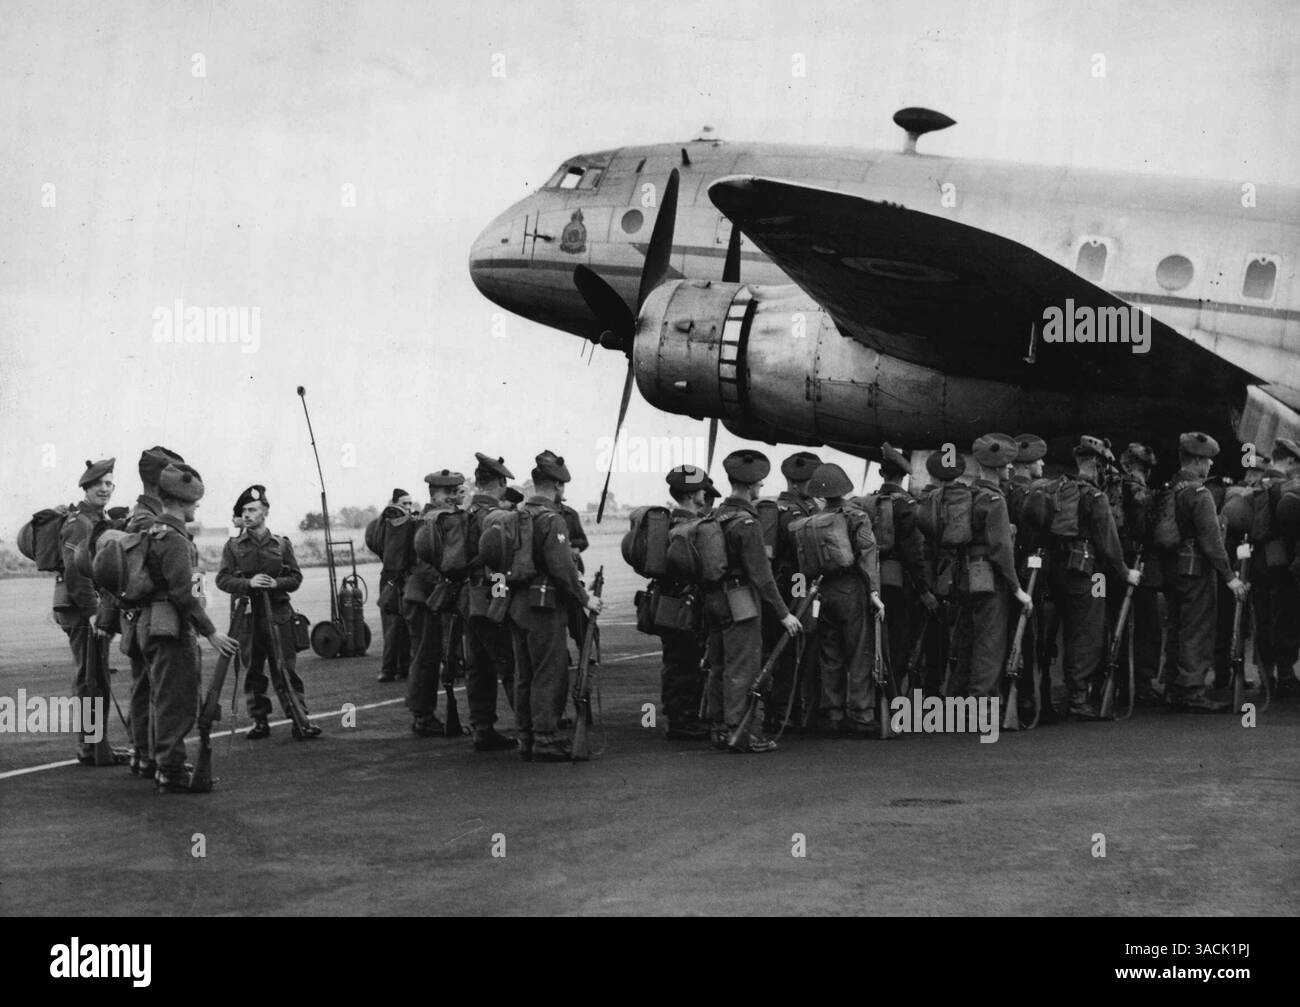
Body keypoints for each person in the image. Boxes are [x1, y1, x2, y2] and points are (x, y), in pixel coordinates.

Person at [141, 464, 238, 792]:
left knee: (165, 696)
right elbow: (182, 592)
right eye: (193, 502)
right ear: (180, 501)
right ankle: (170, 770)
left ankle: (165, 763)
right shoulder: (175, 539)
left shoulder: (156, 531)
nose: (196, 506)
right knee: (178, 700)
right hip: (171, 627)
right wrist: (211, 631)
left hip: (155, 622)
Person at [705, 450, 801, 753]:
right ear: (752, 486)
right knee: (742, 667)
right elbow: (762, 576)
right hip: (740, 599)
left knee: (718, 665)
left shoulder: (716, 515)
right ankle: (740, 732)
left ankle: (720, 728)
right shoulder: (747, 523)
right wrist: (784, 613)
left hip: (714, 597)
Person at [508, 452, 602, 762]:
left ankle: (526, 736)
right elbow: (563, 569)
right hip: (544, 604)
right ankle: (545, 738)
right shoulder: (552, 519)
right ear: (558, 486)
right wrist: (586, 598)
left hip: (517, 603)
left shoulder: (517, 515)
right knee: (550, 672)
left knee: (525, 674)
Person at [216, 485, 319, 740]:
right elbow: (222, 579)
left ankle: (300, 719)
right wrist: (247, 584)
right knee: (253, 672)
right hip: (248, 618)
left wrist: (277, 584)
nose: (247, 514)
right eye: (244, 510)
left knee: (285, 670)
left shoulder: (282, 545)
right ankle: (259, 721)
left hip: (279, 614)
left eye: (252, 509)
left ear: (265, 513)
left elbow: (295, 577)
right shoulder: (233, 546)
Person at [1049, 436, 1139, 718]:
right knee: (1087, 634)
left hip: (1056, 571)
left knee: (1055, 633)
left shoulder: (1058, 488)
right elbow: (1109, 545)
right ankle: (1078, 698)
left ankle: (1046, 694)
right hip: (1089, 575)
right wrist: (1126, 573)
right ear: (1098, 465)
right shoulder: (1095, 498)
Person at [1160, 432, 1248, 712]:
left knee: (1176, 626)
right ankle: (1192, 690)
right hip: (1196, 570)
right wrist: (1230, 577)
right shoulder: (1200, 494)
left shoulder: (1172, 488)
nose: (1210, 466)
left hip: (1173, 568)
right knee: (1197, 629)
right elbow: (1211, 541)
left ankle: (1173, 685)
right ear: (1197, 460)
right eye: (1207, 461)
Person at [118, 446, 185, 777]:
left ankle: (142, 753)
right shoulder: (150, 520)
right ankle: (153, 755)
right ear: (163, 480)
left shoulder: (139, 515)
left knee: (143, 685)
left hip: (137, 616)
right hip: (151, 614)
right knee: (157, 687)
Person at [805, 462, 884, 737]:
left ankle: (833, 714)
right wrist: (874, 592)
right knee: (860, 653)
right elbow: (867, 552)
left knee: (830, 653)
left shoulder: (813, 520)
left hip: (823, 590)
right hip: (851, 589)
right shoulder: (856, 516)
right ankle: (861, 715)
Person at [54, 458, 118, 764]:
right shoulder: (80, 522)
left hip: (87, 607)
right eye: (99, 484)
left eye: (109, 483)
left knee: (97, 676)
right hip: (81, 610)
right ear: (86, 487)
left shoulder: (96, 519)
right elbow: (75, 573)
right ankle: (90, 746)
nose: (105, 489)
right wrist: (95, 613)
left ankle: (94, 744)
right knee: (89, 678)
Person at [966, 435, 1033, 699]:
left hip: (968, 574)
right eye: (1006, 465)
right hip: (989, 579)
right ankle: (979, 705)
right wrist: (1017, 589)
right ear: (995, 468)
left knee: (970, 641)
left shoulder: (972, 494)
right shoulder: (995, 500)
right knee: (990, 645)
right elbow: (1001, 550)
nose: (1010, 469)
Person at [462, 453, 518, 751]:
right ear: (500, 482)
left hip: (469, 596)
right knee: (509, 661)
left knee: (478, 665)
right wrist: (501, 600)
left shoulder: (466, 512)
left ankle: (482, 727)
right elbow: (497, 563)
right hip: (490, 592)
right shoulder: (493, 516)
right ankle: (530, 728)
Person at [872, 444, 938, 696]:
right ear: (904, 475)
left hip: (873, 582)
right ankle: (893, 698)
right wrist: (924, 591)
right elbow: (914, 555)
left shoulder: (870, 502)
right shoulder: (908, 506)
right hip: (899, 584)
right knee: (899, 641)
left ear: (881, 473)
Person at [762, 451, 821, 733]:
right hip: (795, 587)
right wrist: (802, 596)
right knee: (793, 651)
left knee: (784, 651)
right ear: (797, 484)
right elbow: (800, 557)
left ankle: (782, 711)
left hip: (781, 587)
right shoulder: (796, 513)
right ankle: (786, 713)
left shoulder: (778, 508)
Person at [656, 464, 714, 740]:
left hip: (667, 601)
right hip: (688, 603)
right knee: (688, 661)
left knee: (674, 661)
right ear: (693, 494)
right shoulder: (695, 528)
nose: (706, 494)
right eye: (702, 490)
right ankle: (683, 721)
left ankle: (675, 715)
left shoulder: (666, 524)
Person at [405, 470, 464, 736]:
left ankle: (424, 714)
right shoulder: (426, 522)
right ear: (434, 494)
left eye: (455, 491)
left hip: (432, 596)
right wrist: (448, 580)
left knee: (433, 655)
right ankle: (422, 715)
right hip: (425, 597)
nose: (453, 496)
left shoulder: (439, 520)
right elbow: (422, 565)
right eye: (448, 492)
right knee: (425, 657)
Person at [1254, 438, 1300, 697]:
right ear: (1291, 460)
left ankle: (1265, 675)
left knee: (1262, 617)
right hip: (1282, 561)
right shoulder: (1286, 488)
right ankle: (1285, 674)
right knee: (1287, 616)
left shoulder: (1256, 484)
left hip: (1259, 561)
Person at [365, 488, 417, 683]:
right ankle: (390, 669)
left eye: (410, 504)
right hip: (394, 578)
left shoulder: (383, 524)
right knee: (394, 625)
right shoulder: (392, 521)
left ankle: (400, 667)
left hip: (393, 577)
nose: (408, 508)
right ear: (394, 503)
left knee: (400, 624)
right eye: (405, 503)